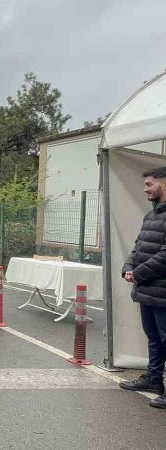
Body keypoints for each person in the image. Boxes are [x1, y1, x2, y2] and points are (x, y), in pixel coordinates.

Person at [119, 167, 166, 408]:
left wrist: (138, 272)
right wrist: (128, 266)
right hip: (148, 289)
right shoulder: (151, 215)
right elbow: (138, 246)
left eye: (150, 184)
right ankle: (154, 379)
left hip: (161, 289)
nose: (146, 188)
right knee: (154, 338)